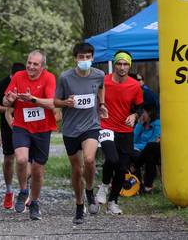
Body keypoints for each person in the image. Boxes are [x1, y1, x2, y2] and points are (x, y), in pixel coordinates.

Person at [54, 43, 107, 224]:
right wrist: (65, 103)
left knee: (90, 159)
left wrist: (101, 104)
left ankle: (90, 190)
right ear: (75, 58)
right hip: (70, 129)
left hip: (91, 125)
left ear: (92, 58)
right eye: (81, 57)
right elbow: (56, 101)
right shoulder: (65, 78)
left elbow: (101, 88)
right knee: (77, 170)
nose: (84, 60)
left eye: (87, 57)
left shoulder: (99, 75)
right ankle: (79, 204)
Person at [2, 50, 56, 220]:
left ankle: (34, 202)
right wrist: (9, 99)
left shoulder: (49, 78)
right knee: (21, 159)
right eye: (29, 63)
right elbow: (5, 101)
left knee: (38, 171)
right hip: (21, 125)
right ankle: (23, 190)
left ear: (42, 66)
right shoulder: (18, 76)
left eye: (35, 64)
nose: (31, 66)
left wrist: (32, 99)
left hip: (42, 128)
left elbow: (52, 103)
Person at [95, 51, 143, 215]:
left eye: (125, 64)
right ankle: (103, 186)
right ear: (114, 65)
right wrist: (99, 106)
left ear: (129, 66)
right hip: (106, 126)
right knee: (112, 158)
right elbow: (94, 96)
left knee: (122, 169)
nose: (122, 67)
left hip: (125, 130)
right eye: (119, 64)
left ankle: (113, 202)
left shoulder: (134, 85)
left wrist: (134, 115)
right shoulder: (104, 81)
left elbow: (140, 107)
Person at [0, 62, 25, 209]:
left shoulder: (29, 83)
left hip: (27, 125)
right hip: (8, 126)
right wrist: (7, 109)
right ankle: (9, 190)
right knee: (9, 159)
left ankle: (25, 190)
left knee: (25, 159)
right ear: (10, 75)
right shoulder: (1, 85)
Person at [132, 103, 161, 193]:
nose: (142, 115)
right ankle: (141, 185)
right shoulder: (142, 125)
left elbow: (153, 142)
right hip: (139, 151)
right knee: (142, 156)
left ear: (150, 113)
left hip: (151, 150)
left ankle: (135, 167)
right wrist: (139, 125)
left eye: (143, 113)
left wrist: (136, 146)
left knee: (149, 150)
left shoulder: (157, 125)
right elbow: (133, 140)